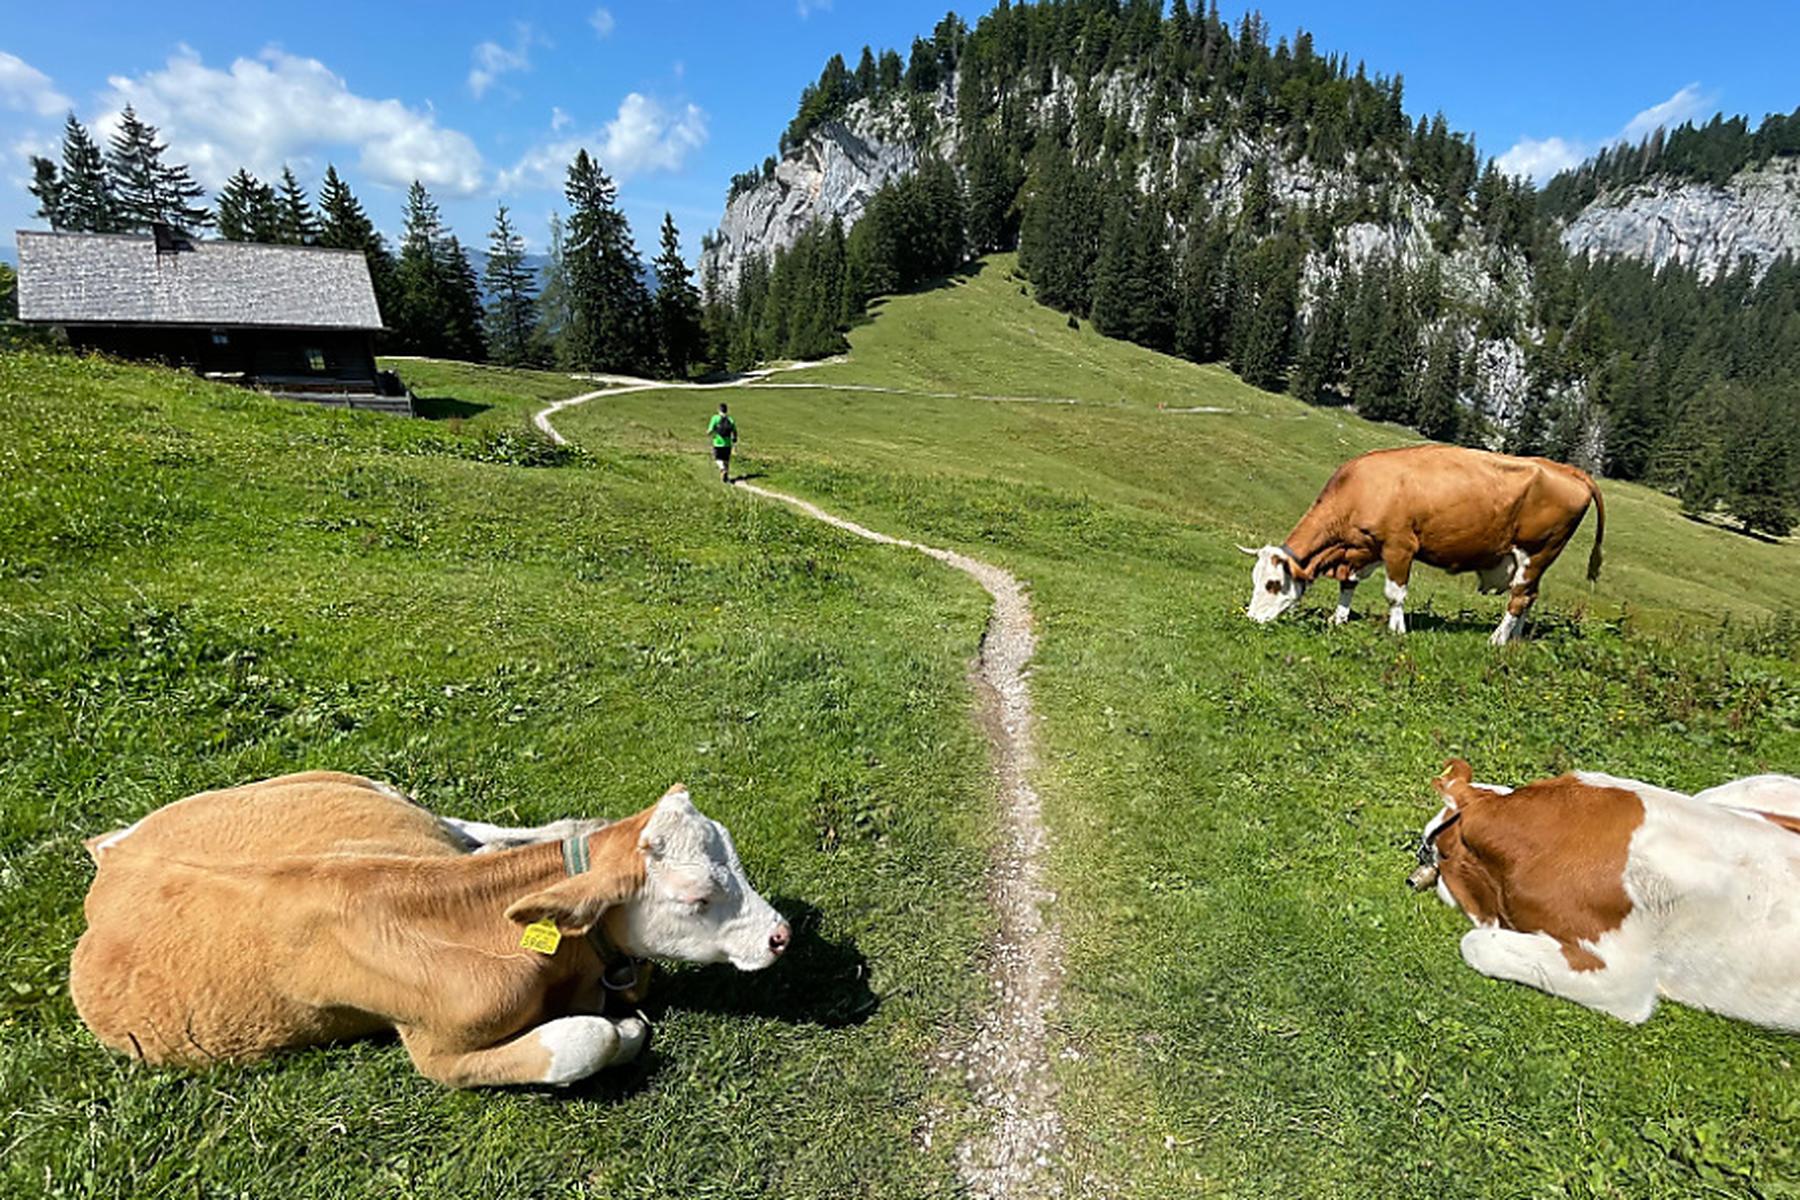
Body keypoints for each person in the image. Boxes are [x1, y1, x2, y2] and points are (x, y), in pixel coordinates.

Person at [708, 402, 738, 483]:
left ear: (719, 410)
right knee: (726, 460)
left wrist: (709, 433)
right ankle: (726, 477)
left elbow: (710, 430)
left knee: (717, 458)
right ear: (726, 410)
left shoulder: (715, 418)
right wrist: (734, 439)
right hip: (728, 443)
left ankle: (722, 469)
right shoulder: (730, 419)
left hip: (717, 442)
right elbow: (734, 431)